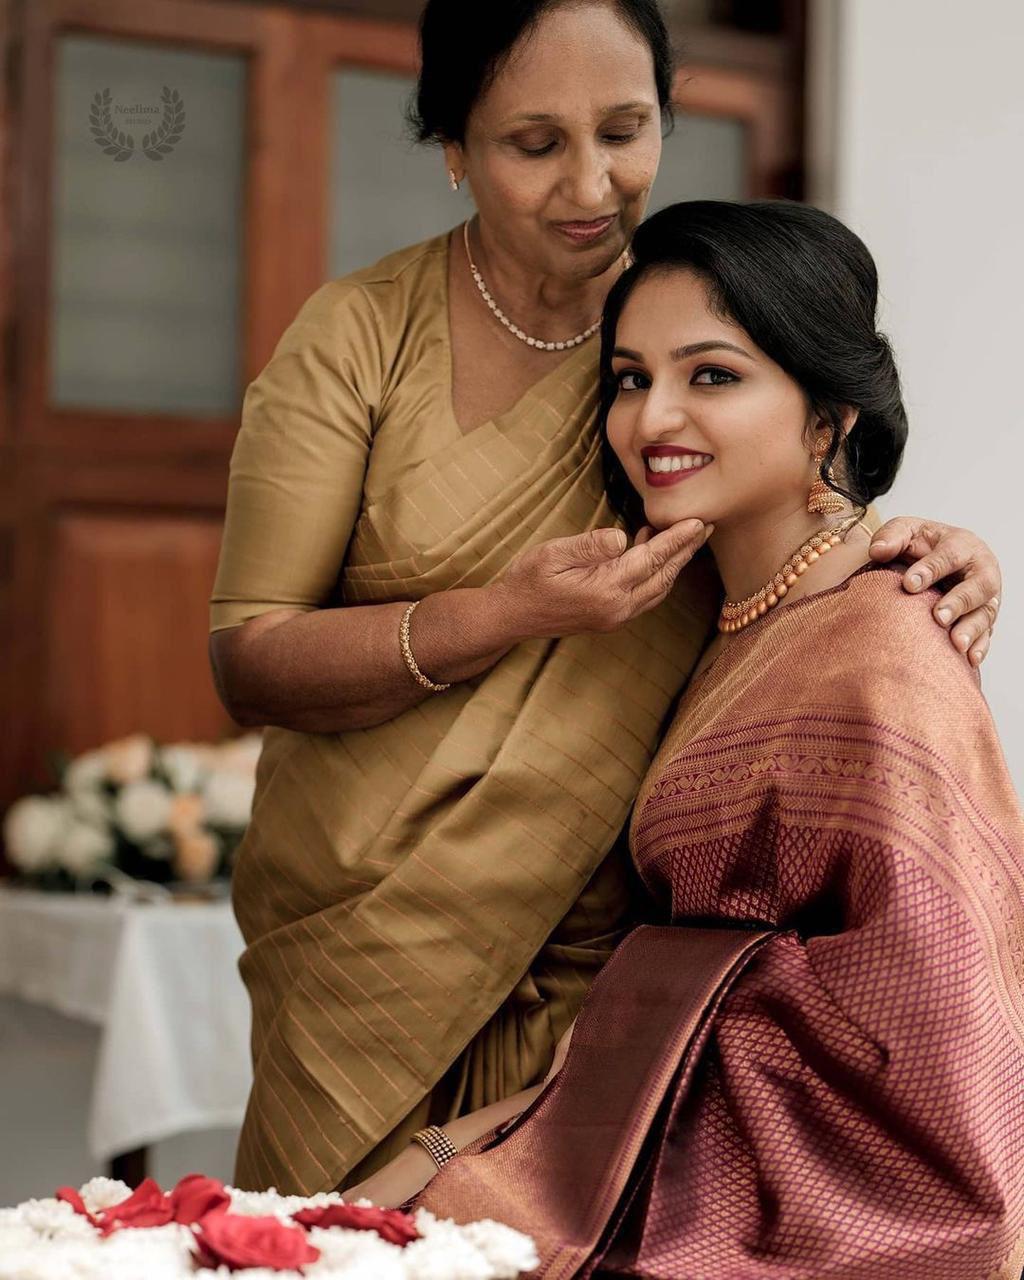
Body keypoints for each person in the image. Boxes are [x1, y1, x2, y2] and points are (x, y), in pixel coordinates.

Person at [208, 1, 1003, 1197]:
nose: (592, 185)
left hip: (606, 960)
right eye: (534, 144)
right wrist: (504, 612)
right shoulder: (363, 336)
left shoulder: (693, 308)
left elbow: (790, 511)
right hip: (367, 943)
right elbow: (248, 657)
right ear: (454, 147)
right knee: (316, 1239)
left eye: (625, 132)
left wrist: (938, 549)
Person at [347, 200, 1024, 1278]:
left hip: (776, 1204)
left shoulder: (885, 645)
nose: (652, 418)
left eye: (712, 374)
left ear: (828, 417)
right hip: (625, 1121)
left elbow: (929, 1026)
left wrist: (597, 1059)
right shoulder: (709, 603)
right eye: (630, 377)